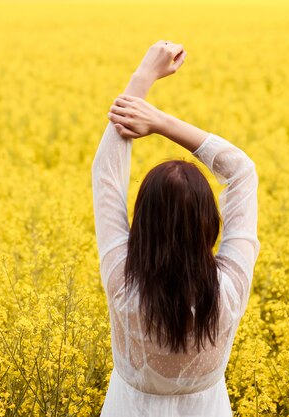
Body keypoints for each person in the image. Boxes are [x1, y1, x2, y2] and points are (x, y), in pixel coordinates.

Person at [91, 40, 261, 416]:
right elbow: (243, 172)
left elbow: (106, 176)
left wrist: (143, 78)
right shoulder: (229, 289)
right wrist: (161, 123)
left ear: (143, 224)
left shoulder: (123, 284)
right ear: (210, 225)